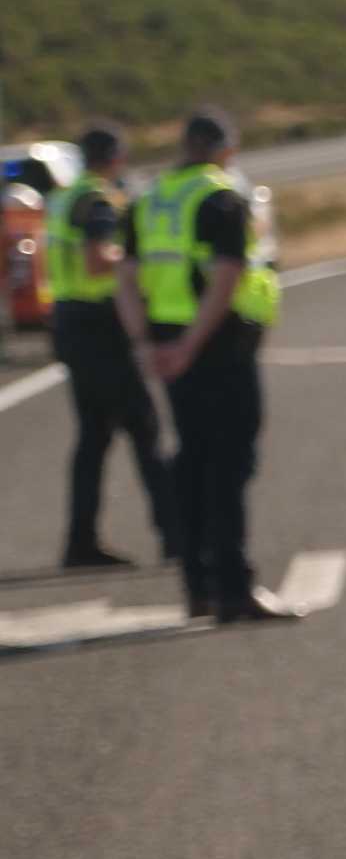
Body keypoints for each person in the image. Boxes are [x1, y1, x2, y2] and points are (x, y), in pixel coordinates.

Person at [132, 109, 297, 623]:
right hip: (217, 345)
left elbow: (125, 275)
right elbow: (227, 276)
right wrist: (193, 344)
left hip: (167, 341)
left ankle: (197, 587)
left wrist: (144, 343)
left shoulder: (152, 198)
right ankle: (232, 589)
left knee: (192, 459)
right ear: (225, 148)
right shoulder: (221, 196)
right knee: (229, 466)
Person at [44, 123, 182, 570]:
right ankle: (175, 536)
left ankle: (79, 541)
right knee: (144, 430)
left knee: (93, 437)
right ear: (116, 157)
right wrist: (135, 265)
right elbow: (96, 258)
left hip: (69, 320)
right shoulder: (99, 200)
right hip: (99, 326)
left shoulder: (66, 195)